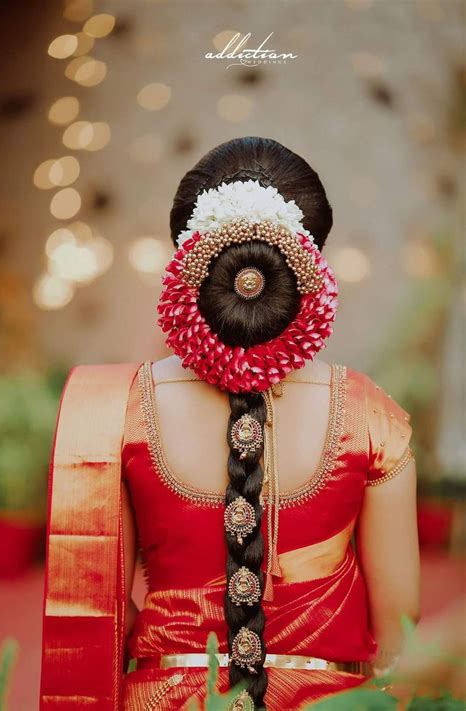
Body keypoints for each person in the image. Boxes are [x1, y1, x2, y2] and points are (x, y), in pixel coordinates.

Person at [40, 137, 420, 711]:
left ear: (188, 258)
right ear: (307, 263)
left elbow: (93, 620)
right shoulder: (371, 416)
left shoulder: (108, 408)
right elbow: (402, 636)